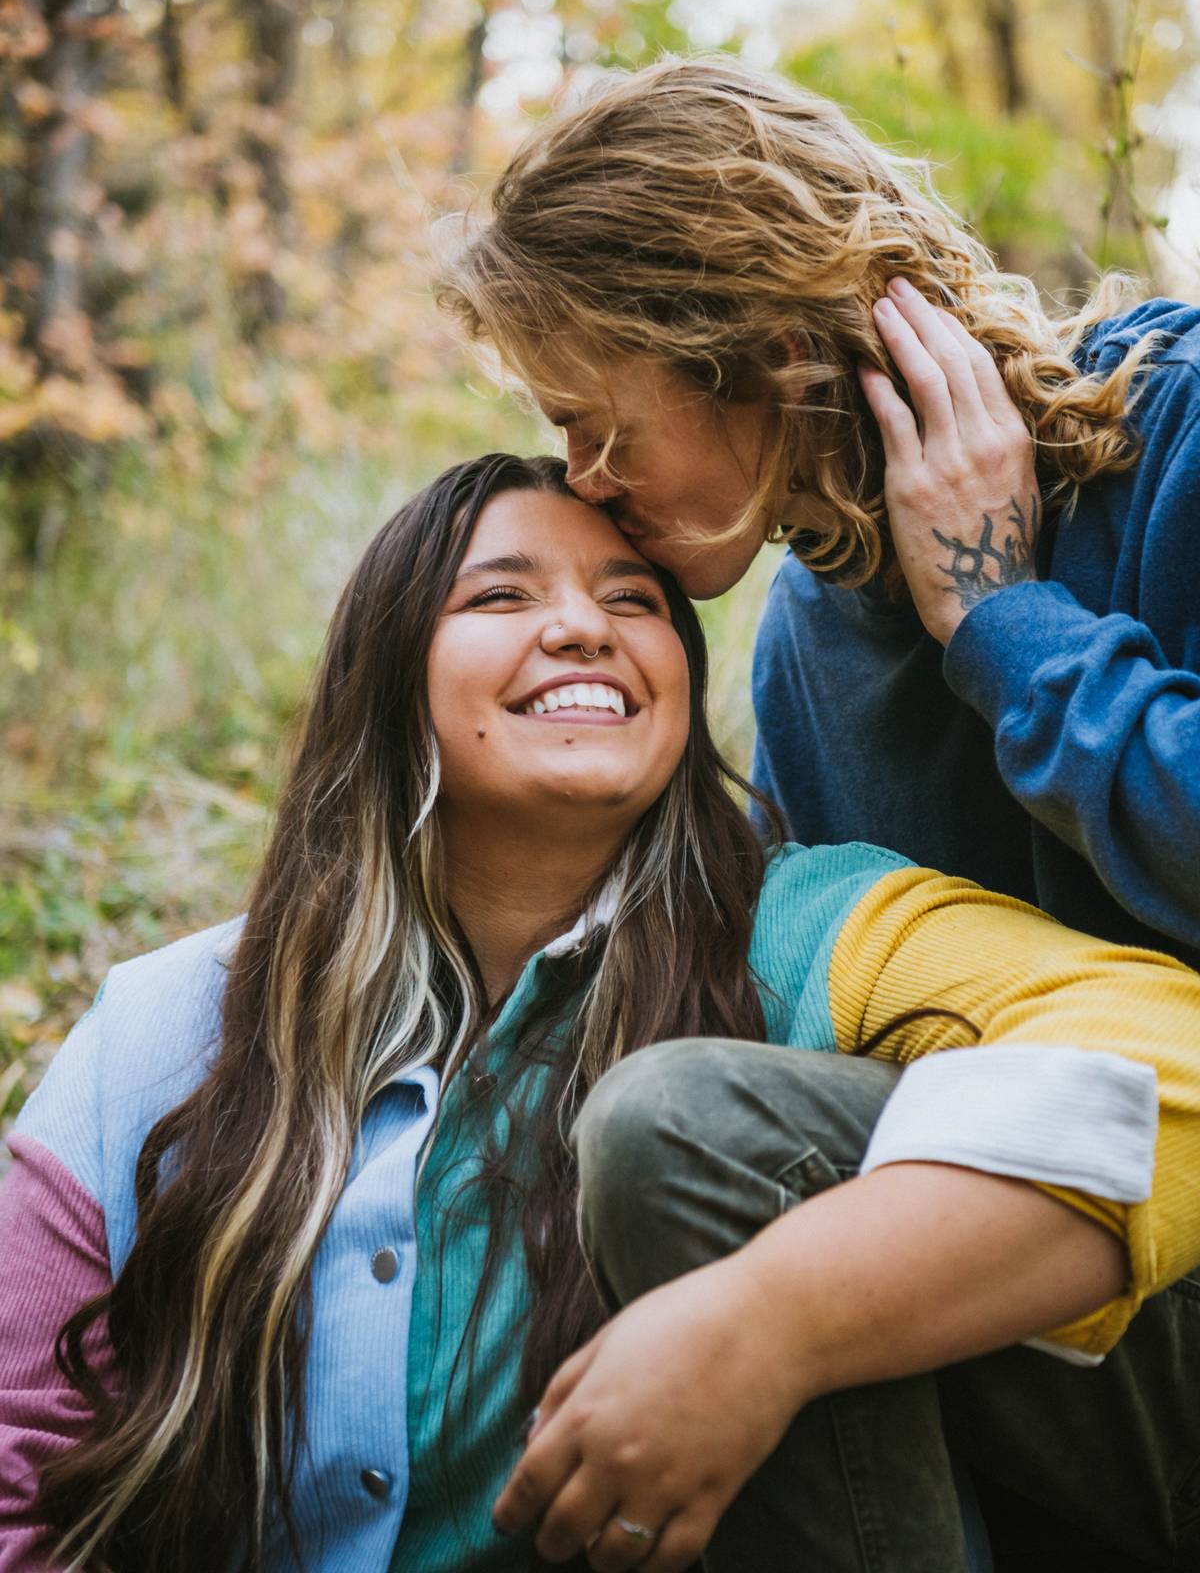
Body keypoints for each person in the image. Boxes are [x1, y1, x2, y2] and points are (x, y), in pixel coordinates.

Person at [1, 455, 1199, 1573]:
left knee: (682, 1116)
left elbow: (1168, 1056)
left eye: (633, 602)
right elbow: (25, 1463)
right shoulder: (167, 1028)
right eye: (500, 596)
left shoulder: (803, 931)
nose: (581, 626)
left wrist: (774, 1318)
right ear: (385, 672)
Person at [436, 55, 1200, 1565]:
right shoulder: (803, 647)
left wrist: (1003, 623)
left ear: (759, 343)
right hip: (1053, 1329)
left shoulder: (1175, 434)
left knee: (688, 1129)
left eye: (601, 420)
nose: (585, 480)